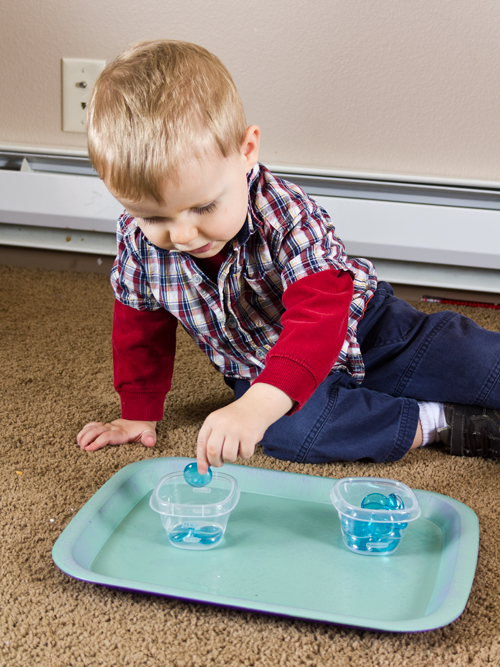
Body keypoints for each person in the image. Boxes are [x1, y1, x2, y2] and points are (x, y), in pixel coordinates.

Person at [77, 39, 500, 472]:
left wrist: (259, 404)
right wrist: (137, 410)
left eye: (203, 207)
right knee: (291, 433)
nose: (182, 234)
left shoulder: (285, 212)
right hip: (261, 365)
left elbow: (320, 314)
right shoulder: (136, 239)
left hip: (368, 330)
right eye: (153, 217)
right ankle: (440, 421)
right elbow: (139, 325)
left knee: (472, 361)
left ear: (246, 151)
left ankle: (411, 381)